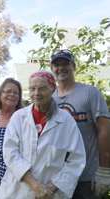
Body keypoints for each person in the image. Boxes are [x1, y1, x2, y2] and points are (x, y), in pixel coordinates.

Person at [0, 71, 86, 199]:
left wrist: (52, 187)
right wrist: (35, 186)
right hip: (16, 190)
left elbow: (77, 159)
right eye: (32, 89)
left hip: (50, 193)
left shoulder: (66, 120)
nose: (36, 93)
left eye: (42, 88)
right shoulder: (19, 117)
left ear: (52, 89)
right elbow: (10, 152)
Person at [50, 49, 110, 199]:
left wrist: (104, 170)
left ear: (74, 66)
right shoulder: (49, 99)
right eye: (57, 64)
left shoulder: (90, 92)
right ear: (52, 69)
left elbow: (105, 130)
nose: (61, 68)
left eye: (66, 63)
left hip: (87, 176)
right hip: (58, 178)